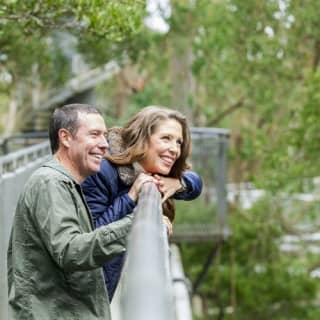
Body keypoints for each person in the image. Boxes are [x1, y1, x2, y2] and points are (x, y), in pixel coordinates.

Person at [7, 104, 134, 320]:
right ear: (65, 138)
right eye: (94, 134)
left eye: (104, 136)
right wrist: (134, 225)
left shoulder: (66, 183)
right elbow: (71, 251)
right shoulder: (50, 183)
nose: (104, 144)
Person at [82, 105, 202, 301]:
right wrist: (131, 197)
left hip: (106, 289)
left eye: (179, 142)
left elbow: (196, 183)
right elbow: (91, 238)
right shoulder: (102, 170)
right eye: (166, 139)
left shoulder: (154, 170)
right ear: (143, 138)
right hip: (80, 293)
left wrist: (179, 183)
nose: (174, 150)